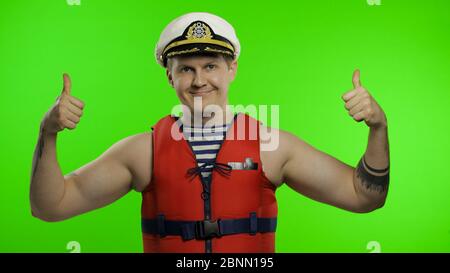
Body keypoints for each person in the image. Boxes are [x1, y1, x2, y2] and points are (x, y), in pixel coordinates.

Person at [30, 12, 390, 253]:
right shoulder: (142, 152)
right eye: (185, 69)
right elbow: (50, 206)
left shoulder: (273, 147)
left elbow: (364, 197)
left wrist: (378, 127)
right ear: (169, 76)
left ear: (231, 69)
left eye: (211, 65)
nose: (199, 80)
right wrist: (48, 133)